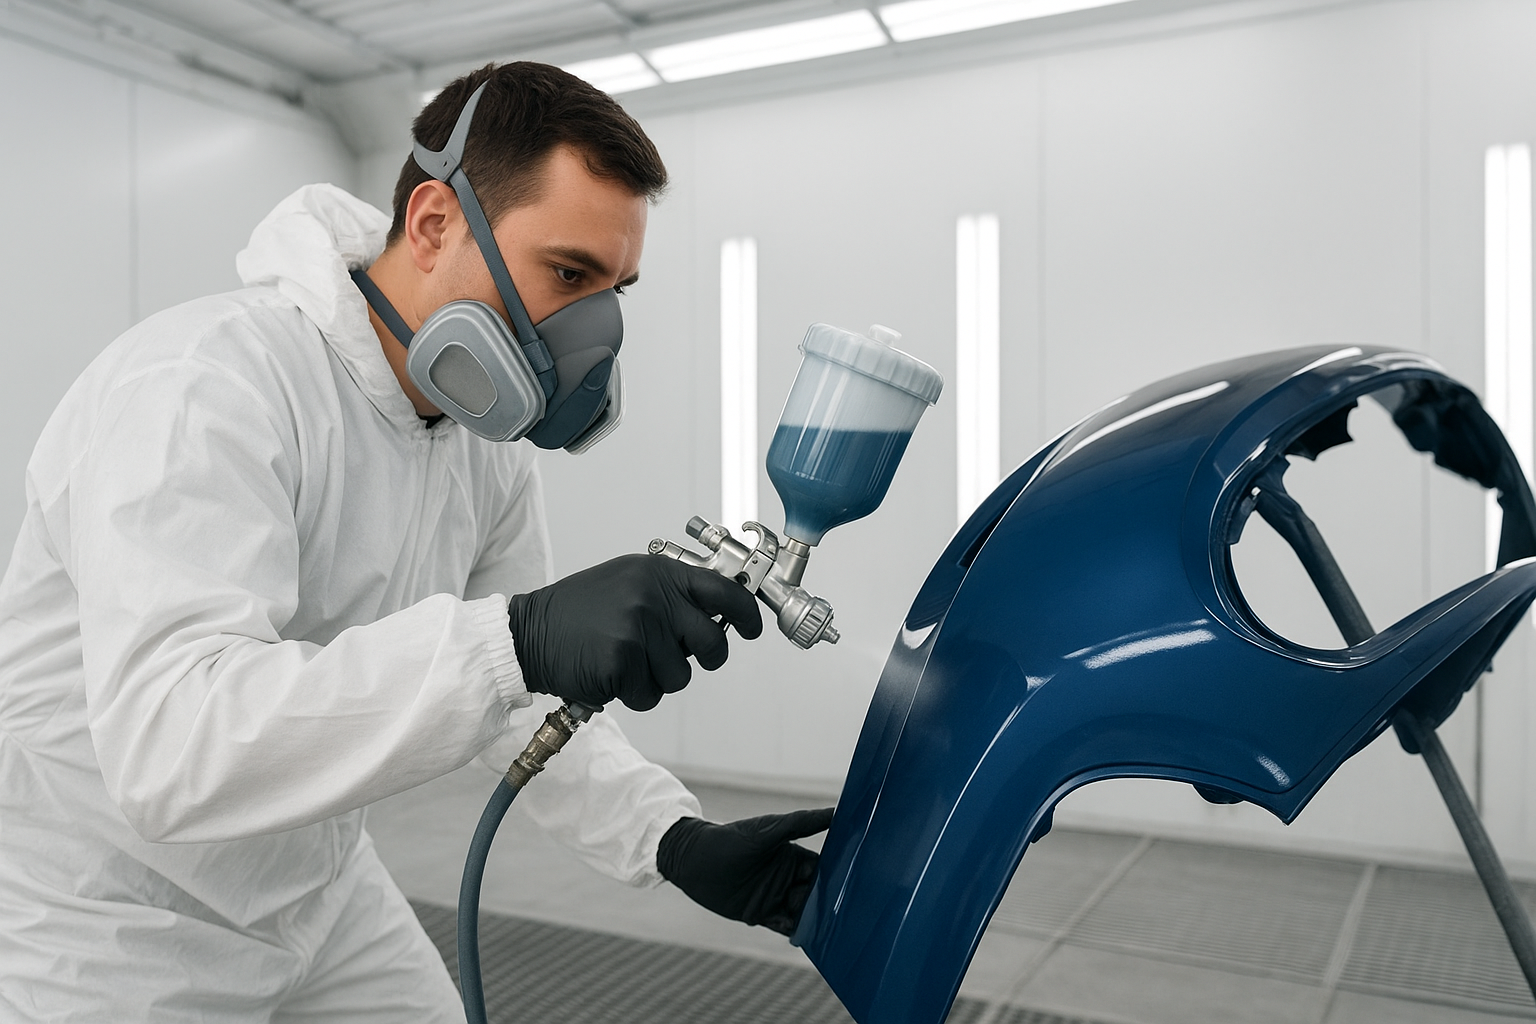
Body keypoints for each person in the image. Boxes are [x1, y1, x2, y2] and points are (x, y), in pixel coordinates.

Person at [0, 61, 831, 1022]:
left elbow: (517, 696)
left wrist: (671, 838)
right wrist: (517, 638)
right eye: (569, 275)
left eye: (615, 289)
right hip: (107, 920)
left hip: (315, 896)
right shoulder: (206, 387)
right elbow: (171, 750)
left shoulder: (479, 448)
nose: (593, 332)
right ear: (435, 225)